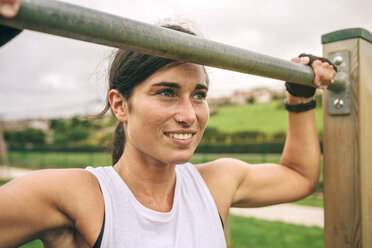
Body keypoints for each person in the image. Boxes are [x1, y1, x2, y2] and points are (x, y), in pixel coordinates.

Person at [0, 2, 337, 247]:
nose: (189, 115)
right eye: (166, 92)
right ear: (120, 105)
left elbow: (299, 177)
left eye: (199, 94)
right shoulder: (77, 197)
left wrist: (299, 95)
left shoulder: (216, 183)